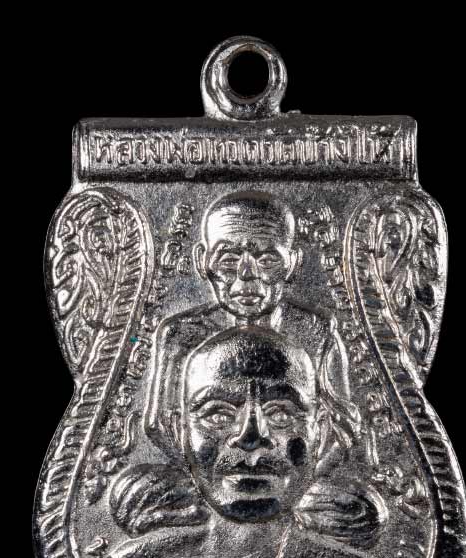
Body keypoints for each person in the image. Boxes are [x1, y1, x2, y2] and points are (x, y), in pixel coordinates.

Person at [110, 327, 385, 558]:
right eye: (218, 414)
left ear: (321, 432)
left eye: (281, 413)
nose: (251, 436)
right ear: (180, 432)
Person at [145, 190, 358, 461]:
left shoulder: (315, 332)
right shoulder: (182, 335)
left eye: (267, 260)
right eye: (229, 259)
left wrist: (298, 481)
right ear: (202, 261)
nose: (246, 274)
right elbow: (159, 426)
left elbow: (343, 429)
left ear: (293, 263)